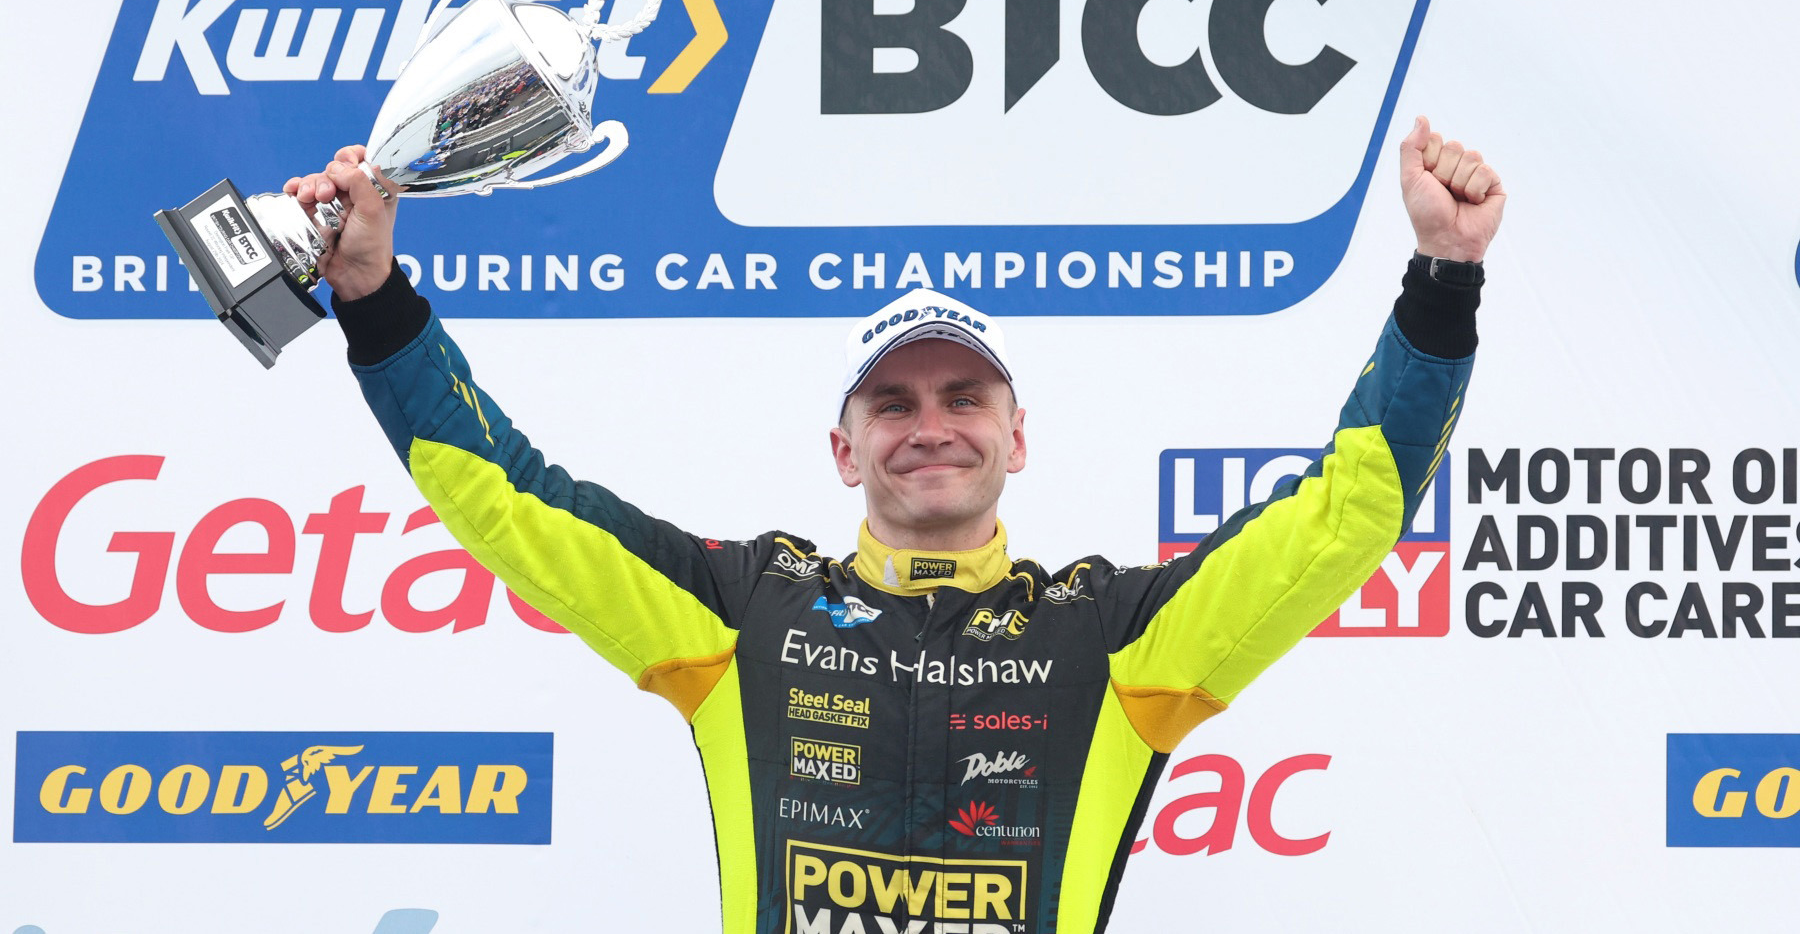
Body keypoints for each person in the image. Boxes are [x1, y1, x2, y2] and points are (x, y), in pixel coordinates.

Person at [287, 115, 1503, 934]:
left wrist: (1442, 280)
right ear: (845, 447)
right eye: (894, 403)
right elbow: (510, 497)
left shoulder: (1113, 636)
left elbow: (1346, 512)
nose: (932, 426)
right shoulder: (742, 612)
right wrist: (375, 299)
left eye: (964, 398)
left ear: (1015, 437)